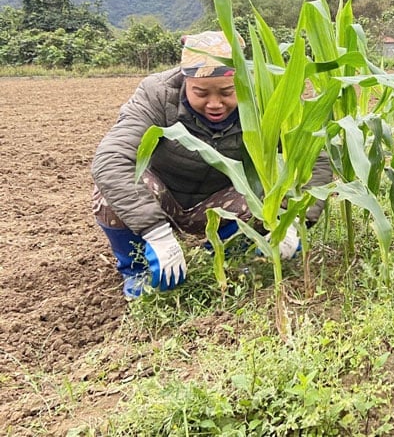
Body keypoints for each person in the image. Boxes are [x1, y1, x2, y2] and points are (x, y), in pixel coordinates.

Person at [92, 31, 329, 299]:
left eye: (228, 92)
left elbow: (313, 151)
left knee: (264, 190)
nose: (215, 104)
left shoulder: (267, 95)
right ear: (186, 81)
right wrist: (155, 231)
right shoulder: (157, 94)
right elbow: (110, 158)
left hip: (224, 203)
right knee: (111, 193)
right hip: (163, 199)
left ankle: (223, 258)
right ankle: (138, 270)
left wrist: (296, 220)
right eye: (201, 93)